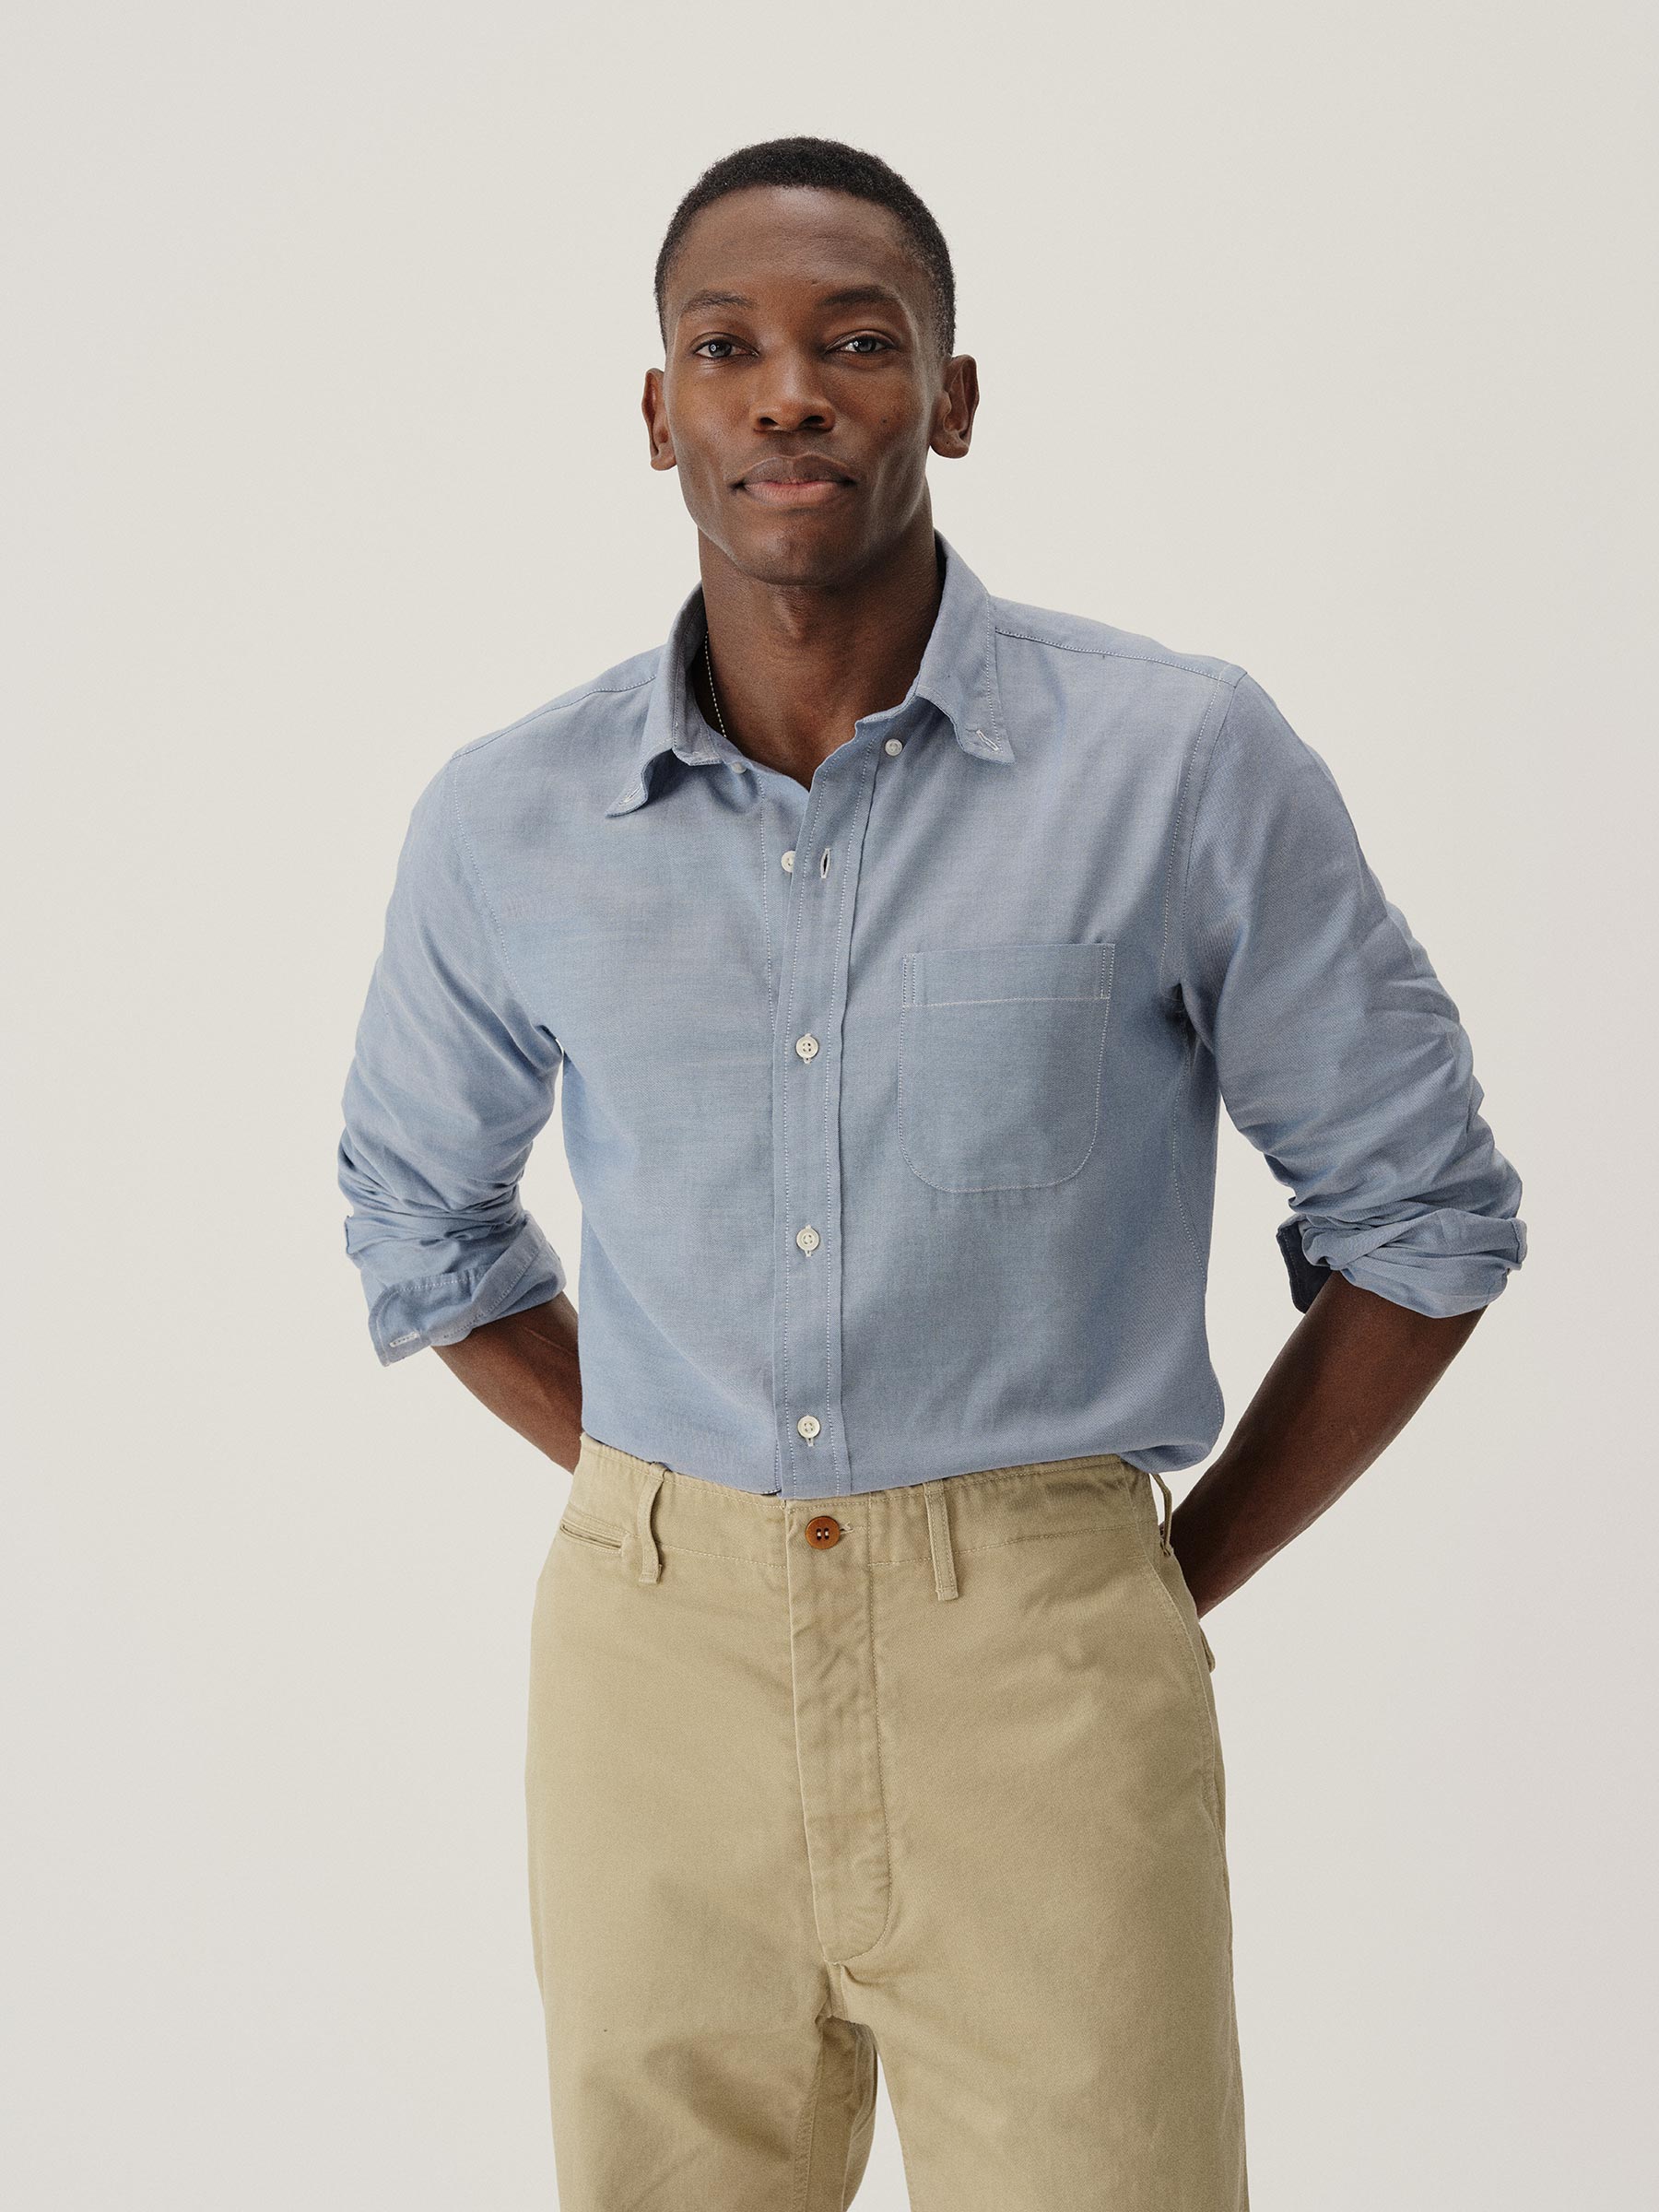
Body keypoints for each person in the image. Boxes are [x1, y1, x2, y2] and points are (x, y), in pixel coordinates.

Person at [336, 134, 1526, 2210]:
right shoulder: (509, 816)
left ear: (952, 399)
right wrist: (663, 1482)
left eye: (859, 342)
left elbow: (1426, 1221)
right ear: (659, 415)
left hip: (1045, 1678)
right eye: (727, 347)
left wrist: (1143, 1580)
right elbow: (418, 1225)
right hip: (651, 1685)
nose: (789, 392)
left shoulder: (1175, 761)